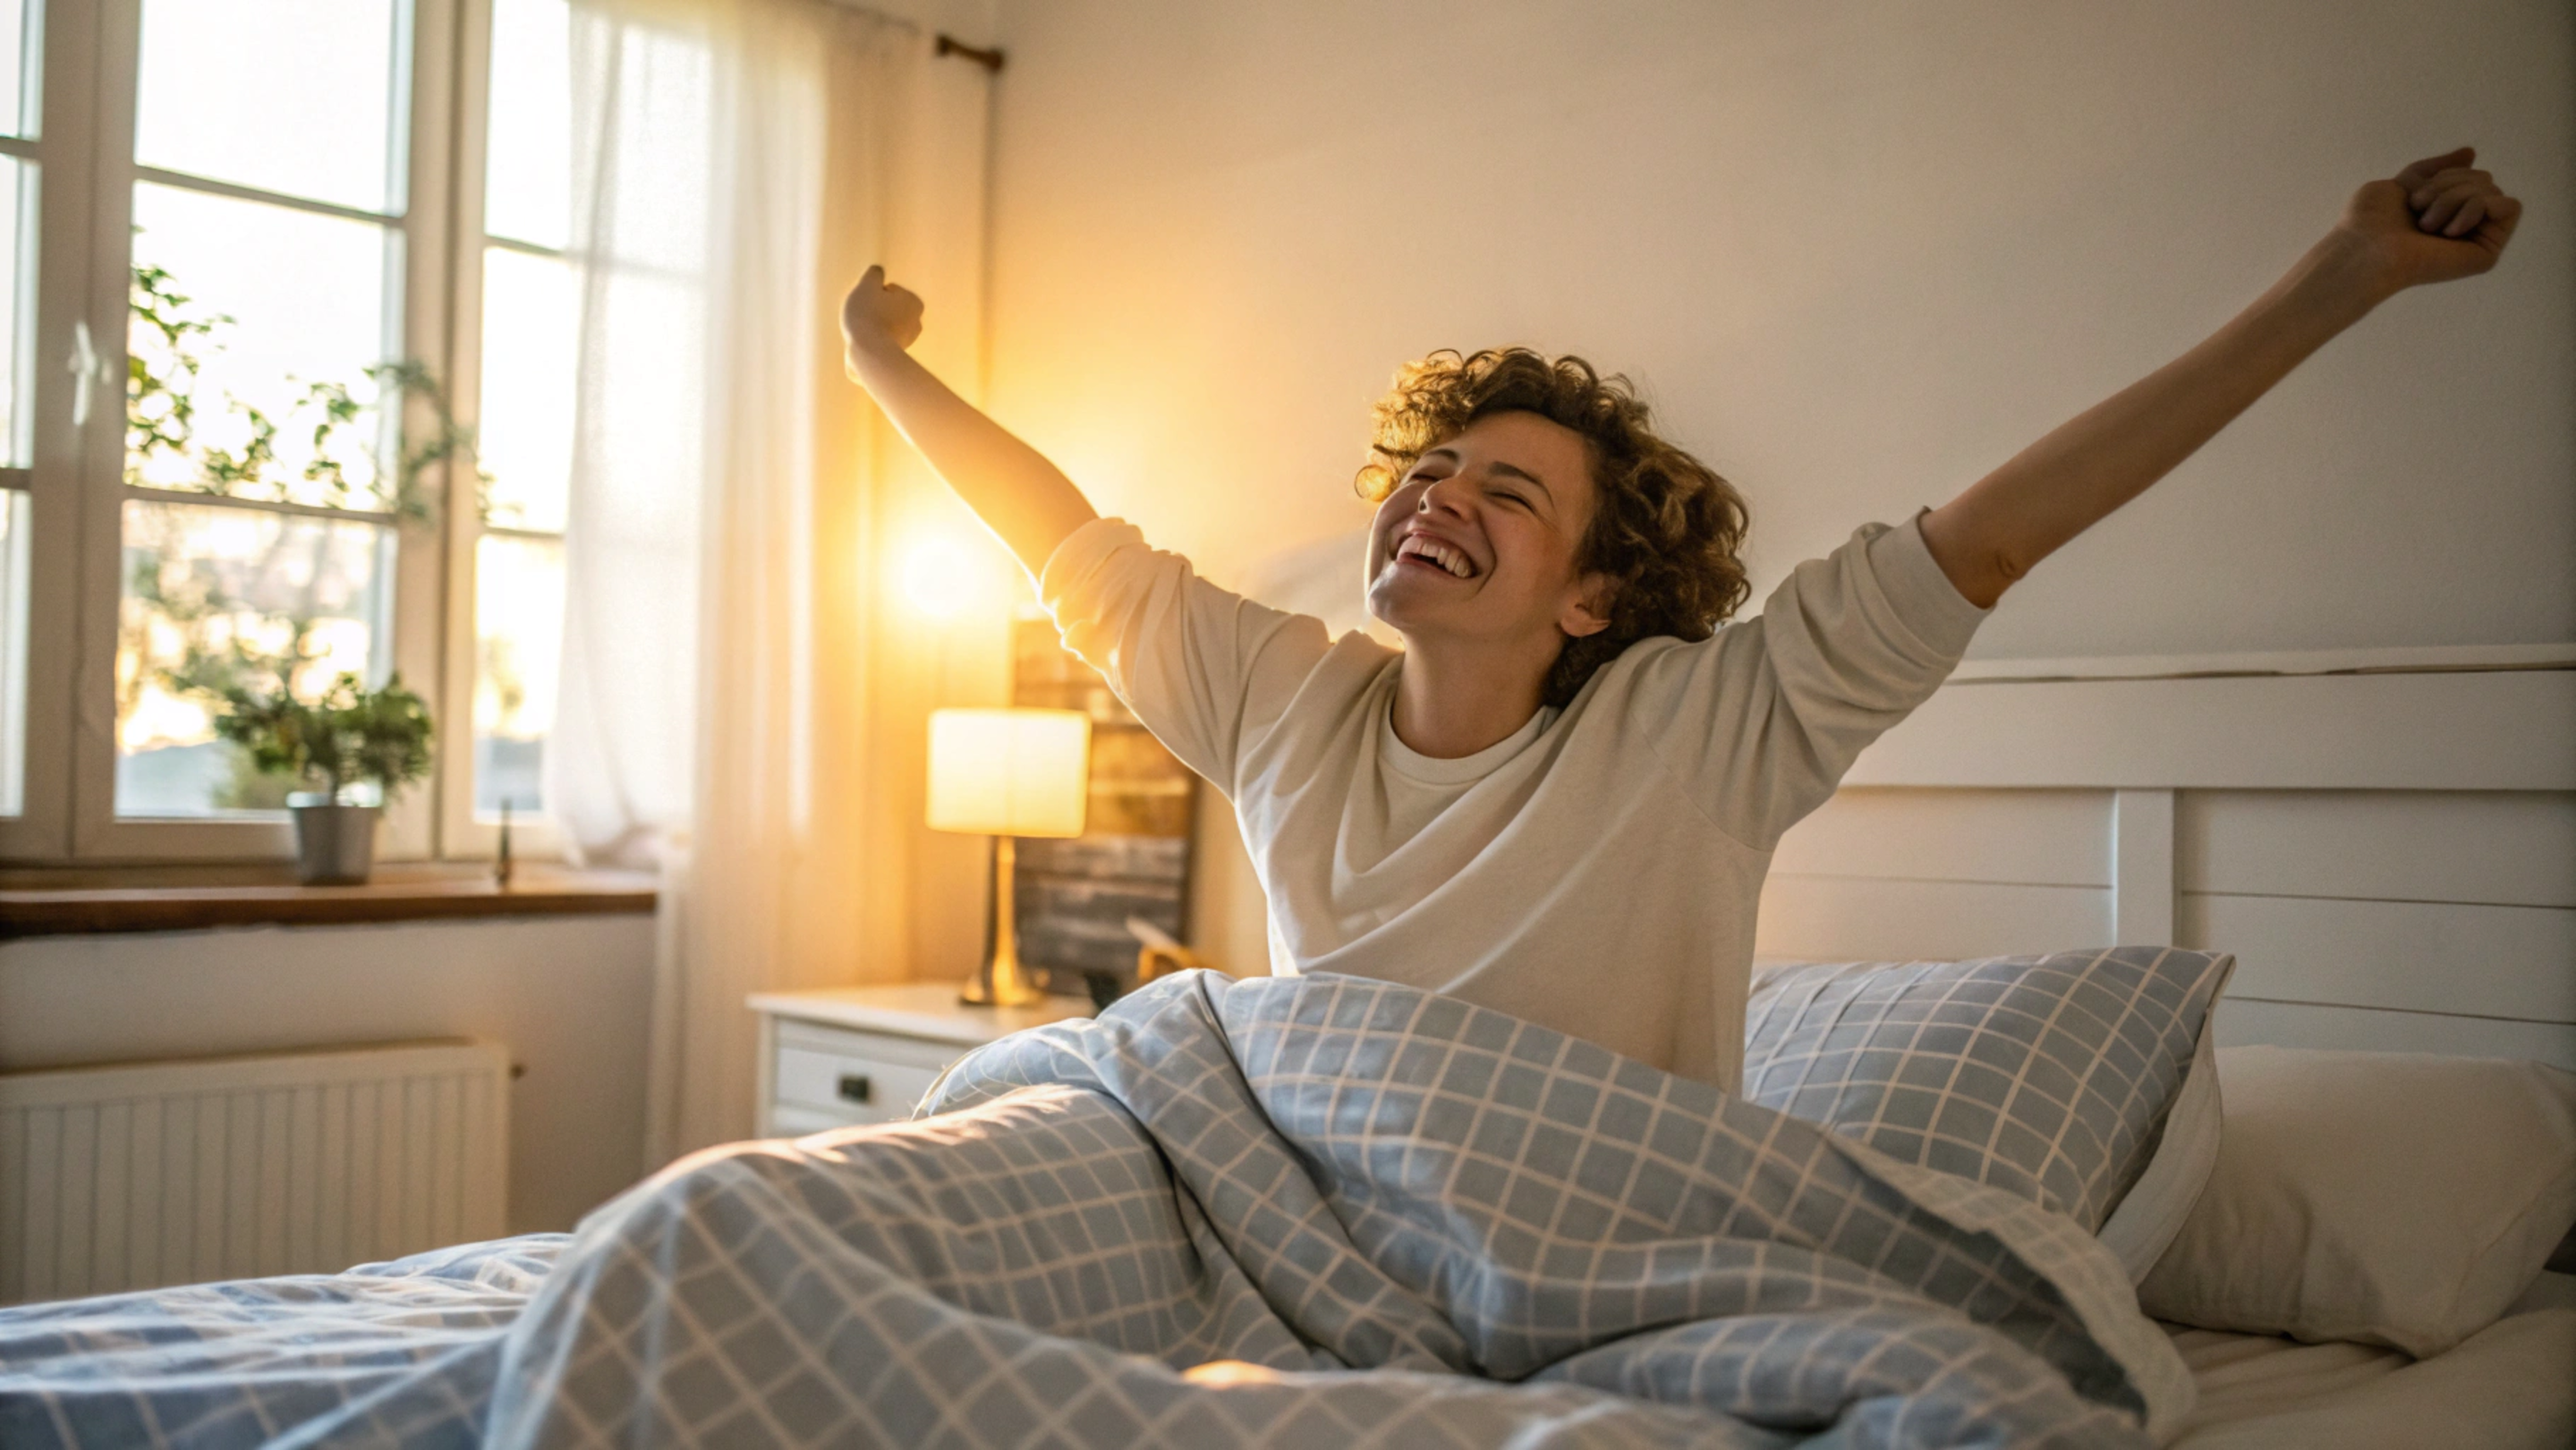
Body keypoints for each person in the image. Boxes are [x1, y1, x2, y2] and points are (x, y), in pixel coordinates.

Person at [841, 149, 2521, 1091]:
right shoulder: (1289, 697)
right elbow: (1067, 543)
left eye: (1506, 490)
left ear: (1592, 597)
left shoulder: (1705, 732)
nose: (1439, 494)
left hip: (1574, 1226)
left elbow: (1998, 532)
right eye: (1430, 468)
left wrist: (2340, 277)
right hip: (1289, 1186)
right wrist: (885, 369)